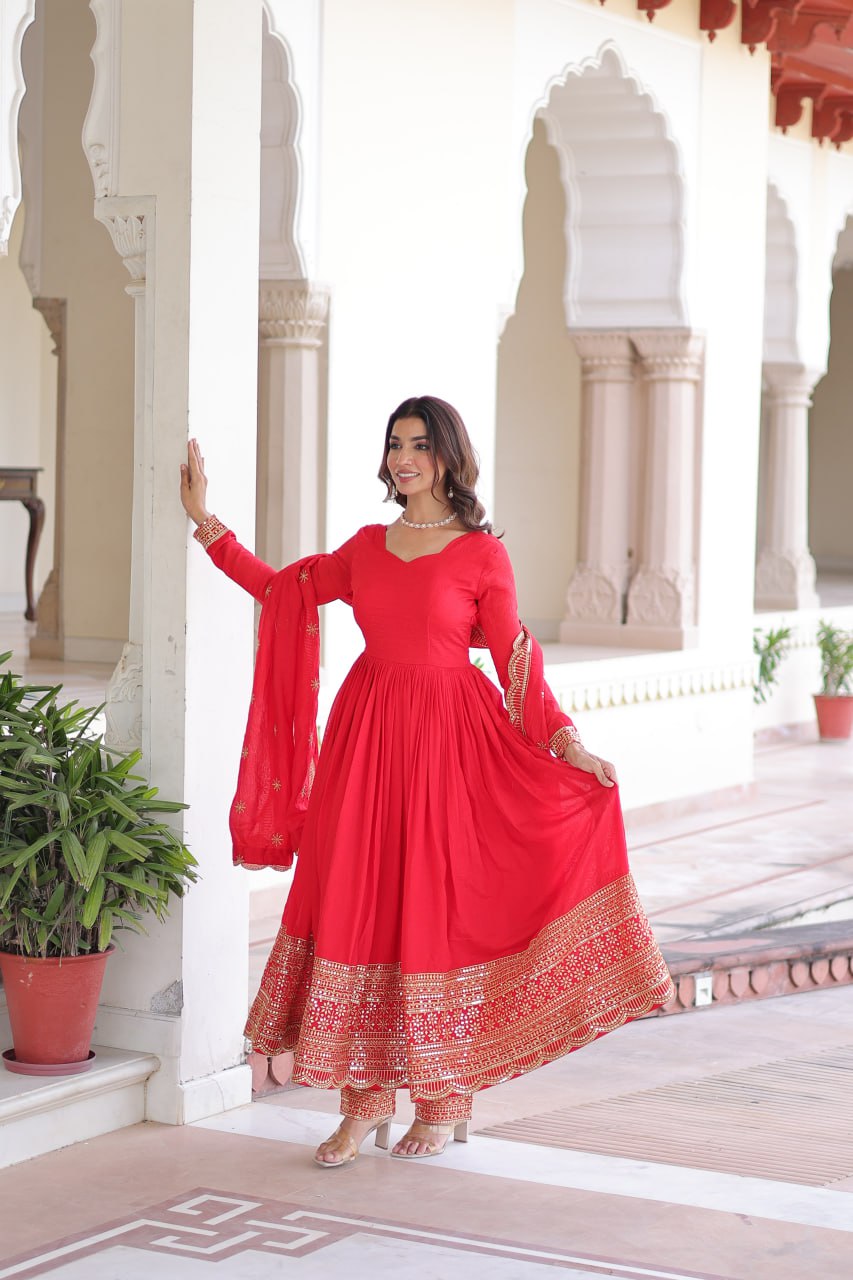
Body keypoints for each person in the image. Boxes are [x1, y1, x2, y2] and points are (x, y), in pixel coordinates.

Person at [179, 395, 673, 1167]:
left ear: (447, 456)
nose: (402, 459)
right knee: (359, 901)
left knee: (435, 907)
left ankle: (443, 1100)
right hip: (365, 743)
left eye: (418, 445)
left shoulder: (481, 553)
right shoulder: (367, 547)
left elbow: (514, 660)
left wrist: (568, 743)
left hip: (449, 747)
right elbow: (284, 593)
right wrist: (208, 525)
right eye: (393, 445)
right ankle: (360, 1105)